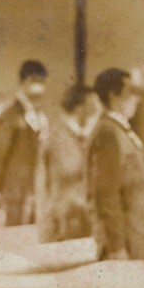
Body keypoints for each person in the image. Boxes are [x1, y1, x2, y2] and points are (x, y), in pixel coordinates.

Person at [88, 68, 144, 261]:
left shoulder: (120, 130)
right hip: (125, 240)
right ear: (114, 96)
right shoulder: (108, 133)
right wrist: (116, 246)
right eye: (131, 92)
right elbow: (106, 194)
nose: (137, 98)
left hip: (136, 235)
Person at [0, 59, 50, 226]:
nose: (38, 87)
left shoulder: (39, 114)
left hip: (36, 189)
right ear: (22, 82)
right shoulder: (10, 115)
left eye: (41, 82)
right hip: (16, 193)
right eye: (33, 81)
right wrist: (6, 187)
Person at [35, 84, 102, 243]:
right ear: (79, 109)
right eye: (93, 107)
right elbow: (70, 170)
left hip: (72, 216)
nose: (96, 112)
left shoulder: (72, 134)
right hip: (65, 219)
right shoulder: (59, 136)